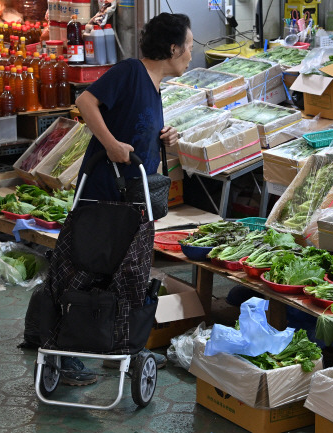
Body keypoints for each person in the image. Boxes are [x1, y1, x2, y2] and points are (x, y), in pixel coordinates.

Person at [60, 12, 193, 386]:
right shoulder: (131, 71)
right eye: (190, 46)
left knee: (125, 278)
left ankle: (117, 347)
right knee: (86, 273)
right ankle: (66, 354)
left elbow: (135, 126)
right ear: (173, 47)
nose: (191, 54)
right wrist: (111, 144)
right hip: (104, 197)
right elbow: (86, 102)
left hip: (133, 202)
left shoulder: (153, 86)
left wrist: (163, 137)